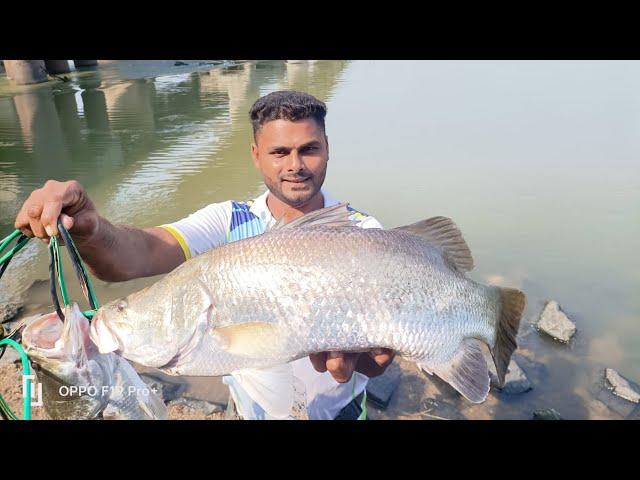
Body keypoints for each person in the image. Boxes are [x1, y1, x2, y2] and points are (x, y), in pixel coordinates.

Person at [14, 90, 395, 420]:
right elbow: (140, 254)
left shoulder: (363, 234)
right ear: (256, 155)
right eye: (279, 152)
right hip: (250, 410)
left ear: (327, 149)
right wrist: (91, 228)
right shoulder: (227, 221)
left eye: (309, 149)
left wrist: (375, 357)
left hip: (336, 411)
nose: (295, 165)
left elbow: (377, 360)